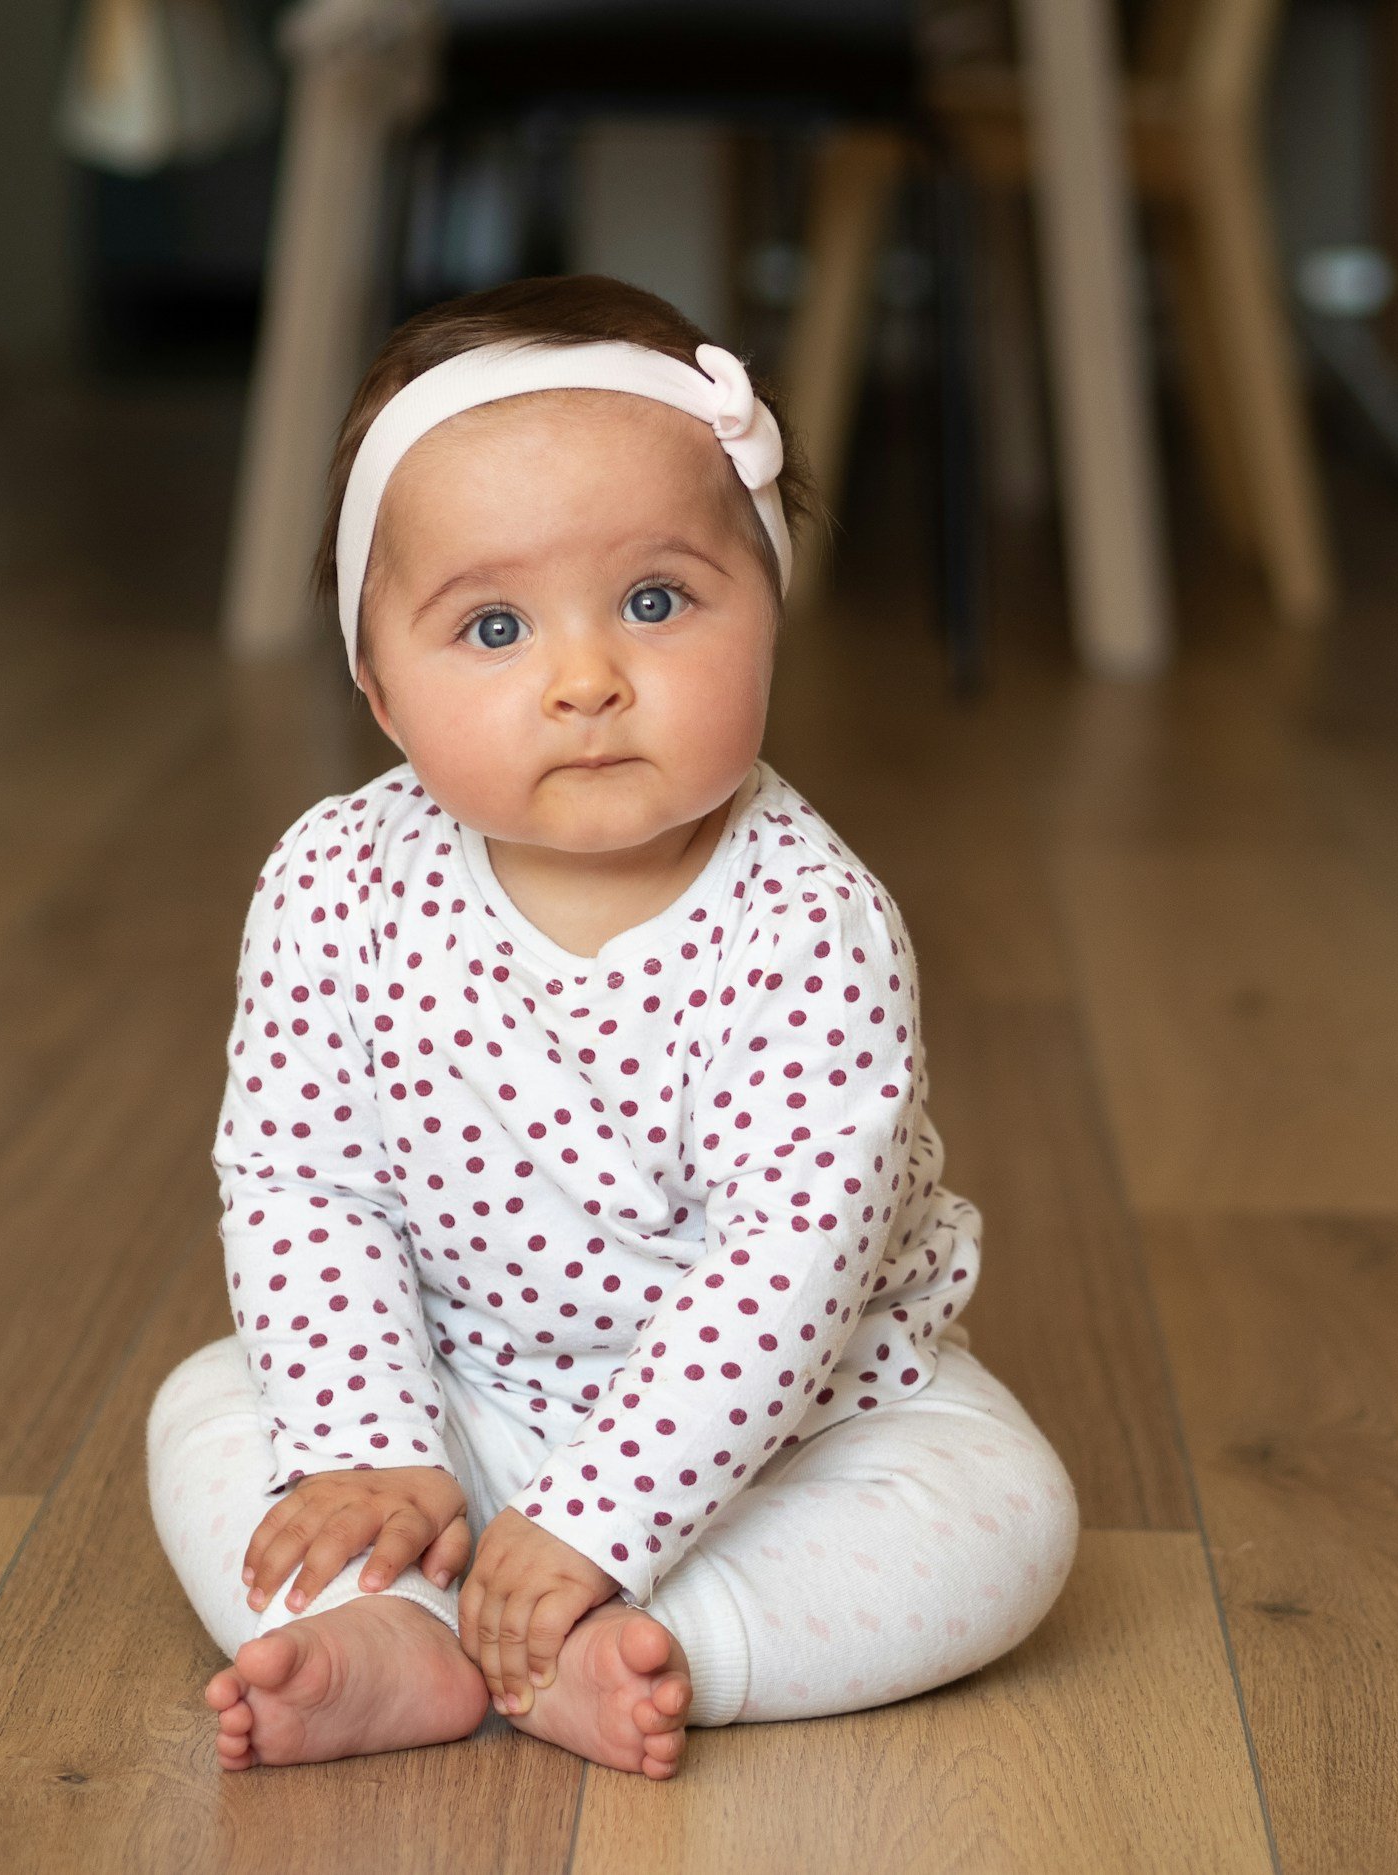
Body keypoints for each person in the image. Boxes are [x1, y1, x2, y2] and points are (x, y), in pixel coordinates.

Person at [149, 275, 1076, 1779]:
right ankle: (393, 1620)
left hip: (795, 1431)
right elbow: (304, 1184)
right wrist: (369, 1443)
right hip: (461, 1395)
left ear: (768, 606)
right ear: (379, 689)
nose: (587, 680)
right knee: (206, 1408)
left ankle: (659, 1639)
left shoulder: (808, 923)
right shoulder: (333, 882)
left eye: (657, 602)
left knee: (1008, 1518)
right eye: (495, 626)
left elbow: (790, 1265)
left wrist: (605, 1521)